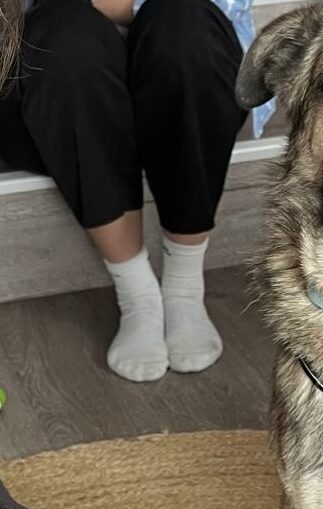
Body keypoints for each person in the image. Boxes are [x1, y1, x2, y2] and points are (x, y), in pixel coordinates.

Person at [0, 0, 268, 382]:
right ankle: (137, 292)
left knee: (183, 26)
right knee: (66, 38)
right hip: (56, 83)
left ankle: (184, 285)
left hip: (187, 68)